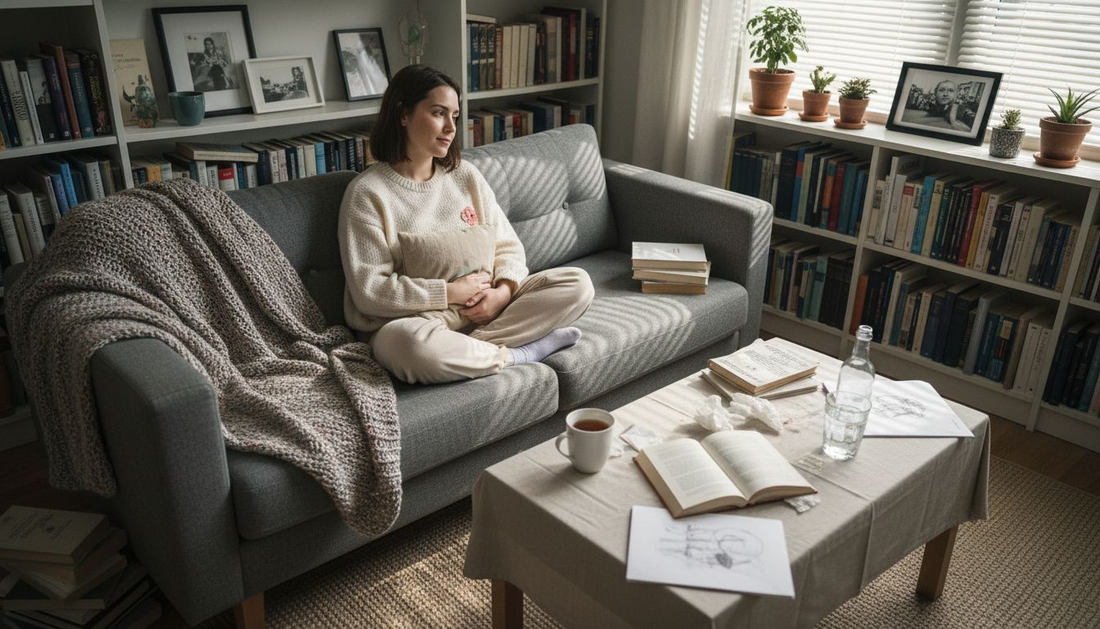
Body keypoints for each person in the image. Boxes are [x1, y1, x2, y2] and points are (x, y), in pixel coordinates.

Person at [339, 65, 594, 384]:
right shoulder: (367, 193)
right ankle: (518, 353)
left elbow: (509, 249)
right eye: (438, 113)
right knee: (410, 347)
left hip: (486, 310)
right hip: (417, 322)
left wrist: (502, 294)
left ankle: (470, 352)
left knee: (577, 283)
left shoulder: (465, 176)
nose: (450, 127)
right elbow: (370, 291)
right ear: (403, 114)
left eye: (455, 116)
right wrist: (449, 292)